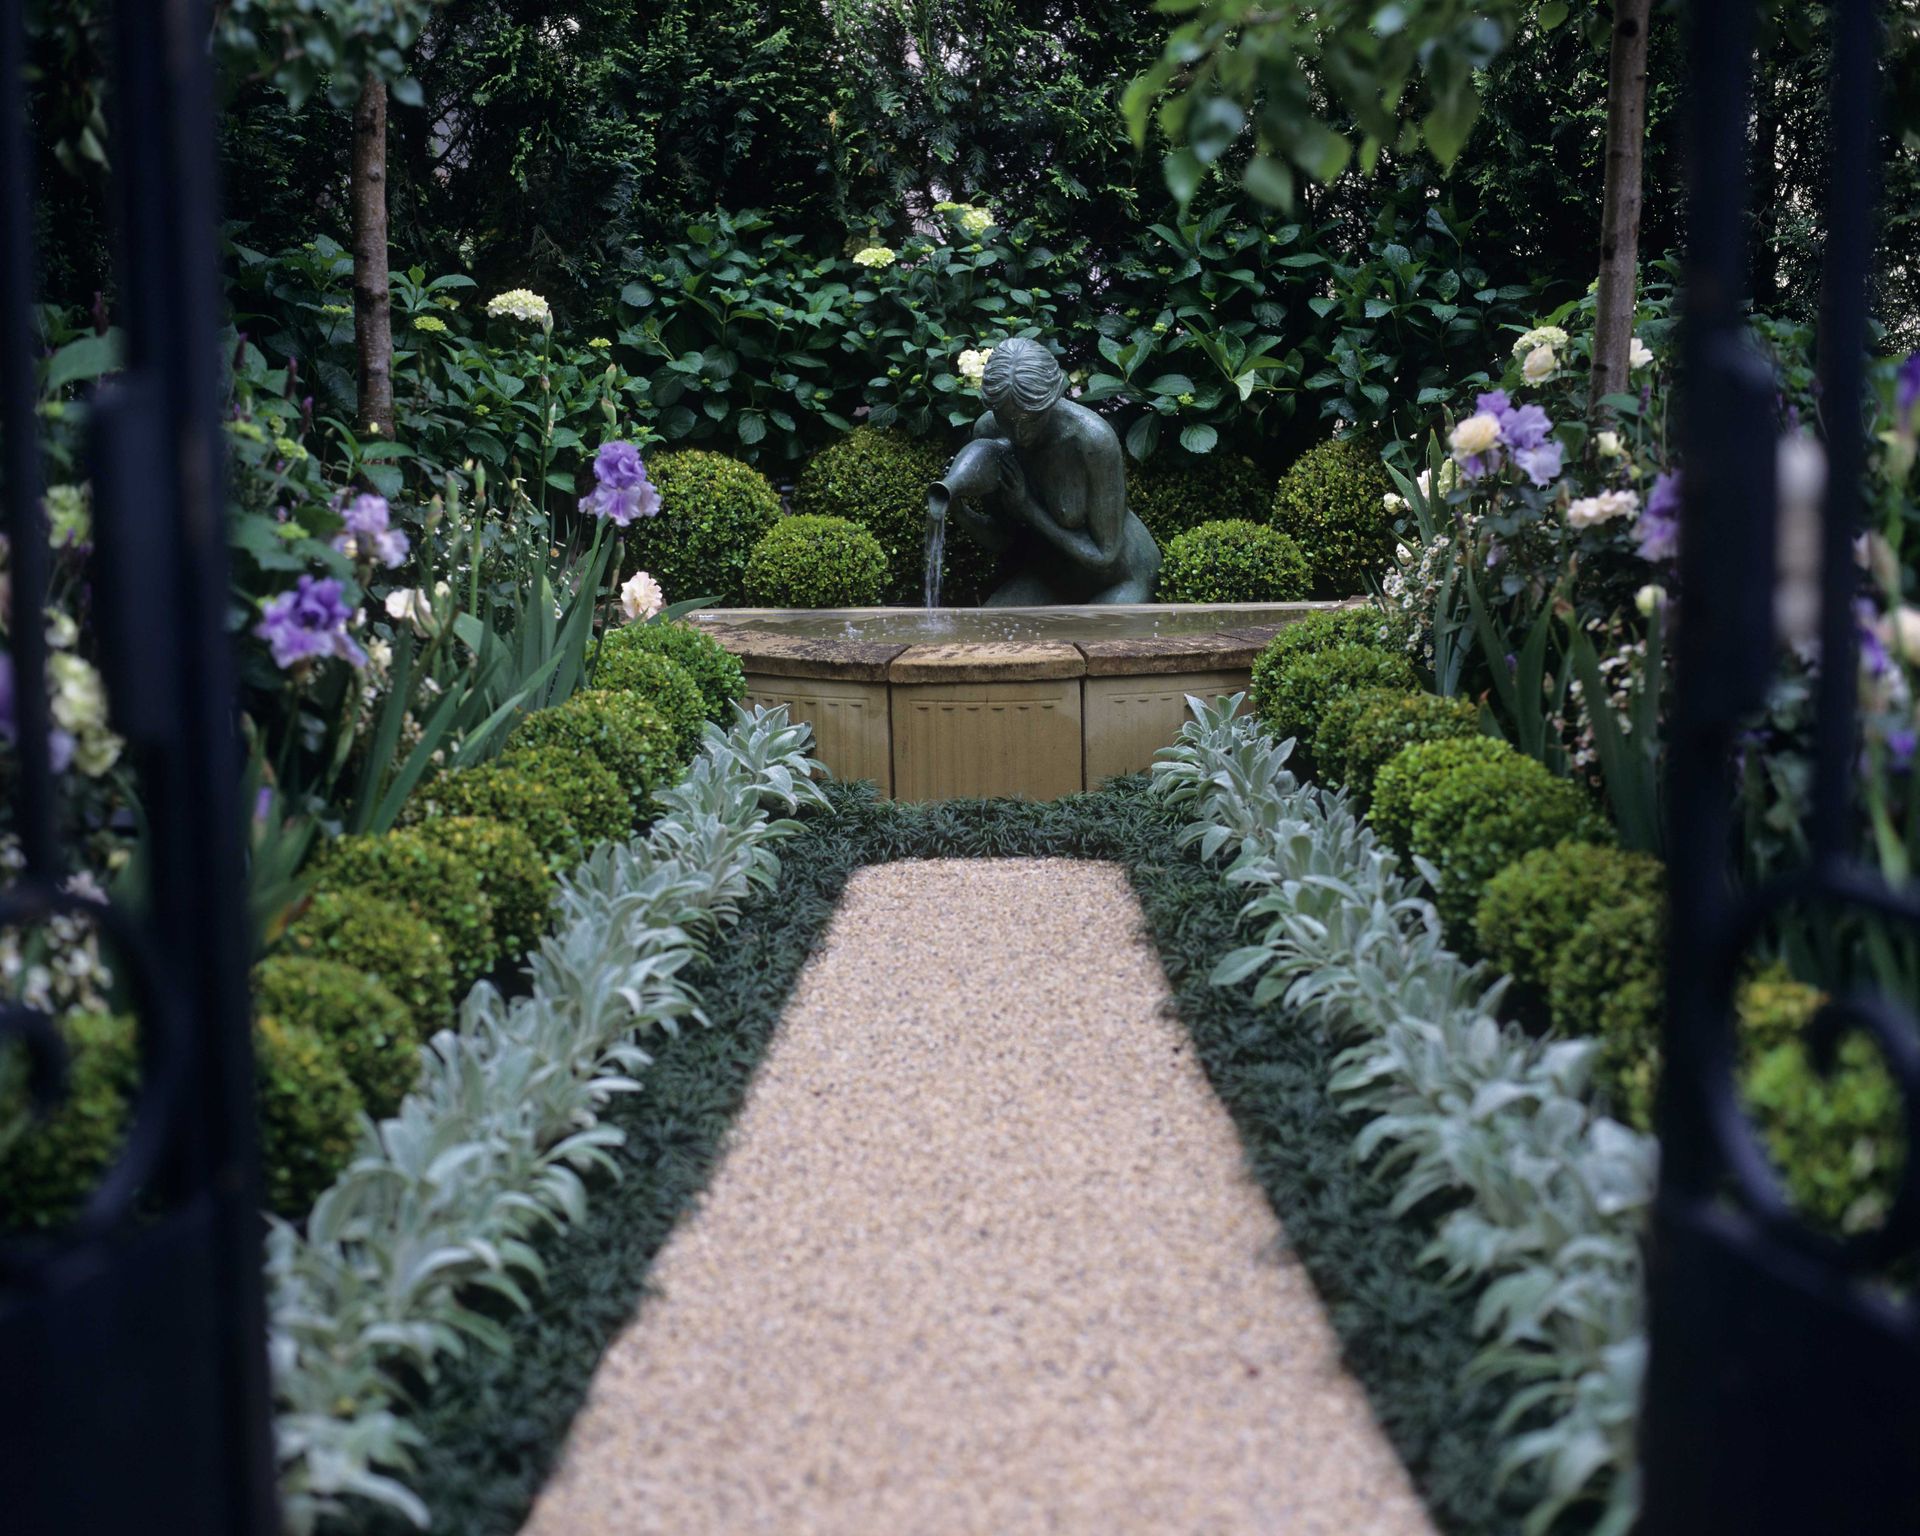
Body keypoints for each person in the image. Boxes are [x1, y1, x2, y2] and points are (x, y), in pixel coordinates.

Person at [928, 338, 1160, 605]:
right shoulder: (988, 432)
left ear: (1053, 399)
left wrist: (1027, 508)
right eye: (1006, 419)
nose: (1019, 434)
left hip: (1120, 578)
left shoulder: (1091, 441)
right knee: (988, 629)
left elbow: (1104, 556)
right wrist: (959, 511)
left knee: (1082, 643)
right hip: (1052, 576)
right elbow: (1007, 542)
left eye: (1032, 418)